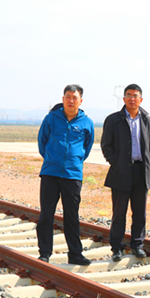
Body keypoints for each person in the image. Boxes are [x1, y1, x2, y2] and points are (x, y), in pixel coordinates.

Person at [36, 84, 95, 266]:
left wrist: (74, 160)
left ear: (80, 101)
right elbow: (42, 142)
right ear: (63, 99)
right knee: (47, 215)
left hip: (72, 175)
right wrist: (52, 158)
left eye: (74, 97)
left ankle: (75, 254)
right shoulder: (51, 119)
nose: (71, 100)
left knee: (72, 216)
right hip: (50, 173)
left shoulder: (87, 123)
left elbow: (87, 147)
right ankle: (45, 253)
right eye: (68, 97)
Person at [101, 84, 150, 261]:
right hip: (121, 171)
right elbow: (106, 145)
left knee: (140, 212)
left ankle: (137, 245)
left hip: (141, 171)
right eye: (129, 95)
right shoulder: (113, 119)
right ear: (124, 99)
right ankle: (116, 247)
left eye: (135, 96)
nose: (132, 99)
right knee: (119, 212)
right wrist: (116, 162)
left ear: (141, 99)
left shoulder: (147, 119)